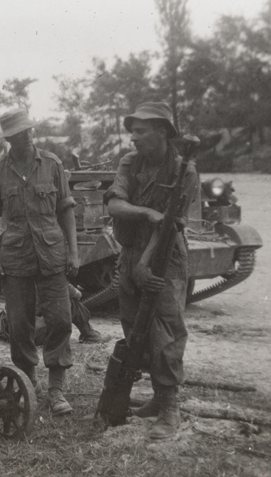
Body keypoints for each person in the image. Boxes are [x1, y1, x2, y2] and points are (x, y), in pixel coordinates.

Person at [103, 102, 199, 440]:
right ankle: (157, 400)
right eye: (132, 130)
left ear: (162, 131)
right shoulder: (130, 163)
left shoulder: (183, 171)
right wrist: (145, 213)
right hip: (130, 254)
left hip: (165, 256)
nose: (133, 137)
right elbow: (115, 204)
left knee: (165, 330)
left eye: (141, 131)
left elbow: (170, 226)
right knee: (134, 328)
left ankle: (170, 406)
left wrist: (146, 264)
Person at [0, 108, 79, 416]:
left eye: (27, 132)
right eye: (16, 135)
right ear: (8, 139)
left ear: (31, 133)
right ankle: (28, 380)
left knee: (61, 320)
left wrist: (74, 253)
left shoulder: (52, 164)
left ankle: (57, 389)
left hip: (52, 254)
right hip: (15, 257)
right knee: (19, 325)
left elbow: (66, 210)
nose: (24, 138)